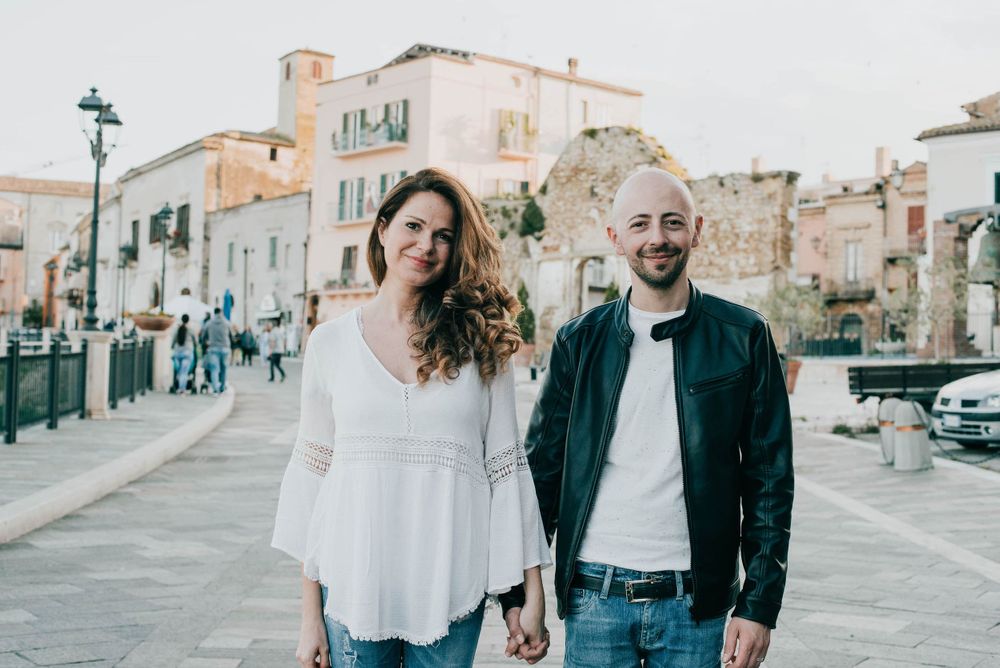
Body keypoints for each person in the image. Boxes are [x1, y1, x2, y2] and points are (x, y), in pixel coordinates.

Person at [501, 169, 794, 668]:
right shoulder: (578, 342)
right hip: (594, 597)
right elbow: (542, 474)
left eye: (672, 222)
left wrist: (759, 605)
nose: (657, 237)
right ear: (616, 238)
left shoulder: (744, 336)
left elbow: (769, 479)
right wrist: (518, 595)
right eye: (639, 224)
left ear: (696, 230)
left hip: (696, 605)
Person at [271, 168, 551, 668]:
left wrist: (528, 595)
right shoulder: (329, 343)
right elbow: (314, 484)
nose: (426, 245)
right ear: (383, 229)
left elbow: (507, 472)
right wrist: (309, 618)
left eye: (444, 235)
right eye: (414, 226)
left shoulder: (482, 345)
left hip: (451, 589)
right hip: (352, 588)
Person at [203, 307, 231, 395]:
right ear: (221, 312)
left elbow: (203, 336)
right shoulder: (226, 322)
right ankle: (222, 387)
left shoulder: (209, 323)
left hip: (213, 348)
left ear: (214, 313)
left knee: (214, 369)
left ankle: (215, 389)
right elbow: (231, 335)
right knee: (224, 369)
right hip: (225, 348)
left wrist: (205, 342)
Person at [171, 314, 194, 394]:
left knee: (179, 371)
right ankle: (182, 389)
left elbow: (173, 340)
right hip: (187, 353)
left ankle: (178, 383)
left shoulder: (177, 328)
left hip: (177, 353)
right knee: (184, 372)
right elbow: (195, 340)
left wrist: (172, 347)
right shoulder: (190, 329)